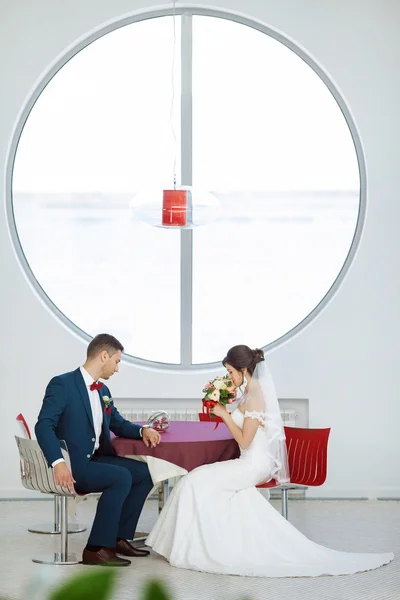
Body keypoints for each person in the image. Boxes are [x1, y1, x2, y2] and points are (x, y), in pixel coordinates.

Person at [146, 345, 394, 577]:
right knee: (194, 480)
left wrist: (223, 415)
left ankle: (198, 547)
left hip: (254, 464)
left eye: (230, 371)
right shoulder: (247, 394)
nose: (229, 376)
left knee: (193, 481)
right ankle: (203, 541)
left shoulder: (255, 396)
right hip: (249, 459)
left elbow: (244, 441)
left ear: (243, 370)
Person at [35, 333, 161, 567]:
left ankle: (118, 538)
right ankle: (96, 549)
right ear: (104, 356)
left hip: (96, 459)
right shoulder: (62, 384)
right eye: (117, 361)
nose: (117, 368)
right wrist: (58, 462)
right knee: (120, 477)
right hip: (74, 467)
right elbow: (43, 425)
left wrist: (142, 431)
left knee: (145, 474)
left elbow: (117, 423)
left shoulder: (102, 391)